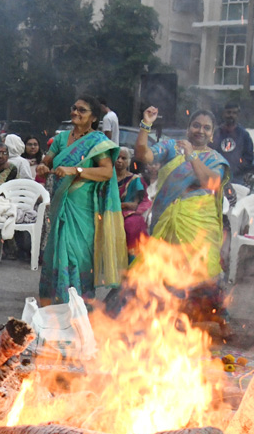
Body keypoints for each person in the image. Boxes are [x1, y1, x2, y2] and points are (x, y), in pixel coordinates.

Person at [134, 106, 230, 328]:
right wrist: (146, 124)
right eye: (196, 125)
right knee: (165, 272)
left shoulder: (216, 159)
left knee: (202, 273)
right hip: (168, 218)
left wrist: (192, 156)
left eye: (207, 128)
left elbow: (212, 183)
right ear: (188, 129)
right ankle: (167, 318)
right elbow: (142, 155)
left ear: (213, 134)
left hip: (199, 225)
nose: (201, 131)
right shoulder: (171, 146)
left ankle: (206, 319)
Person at [35, 95, 125, 306]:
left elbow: (105, 172)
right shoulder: (61, 138)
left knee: (76, 255)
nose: (75, 112)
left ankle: (78, 307)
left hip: (82, 208)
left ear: (93, 118)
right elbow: (48, 159)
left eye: (82, 110)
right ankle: (55, 307)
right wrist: (42, 165)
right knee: (57, 251)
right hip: (60, 204)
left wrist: (76, 170)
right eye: (74, 108)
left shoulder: (98, 142)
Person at [115, 147, 150, 261]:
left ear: (129, 161)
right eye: (117, 157)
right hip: (108, 211)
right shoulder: (107, 178)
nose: (119, 161)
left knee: (131, 225)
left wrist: (121, 206)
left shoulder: (135, 180)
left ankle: (132, 263)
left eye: (123, 158)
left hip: (128, 214)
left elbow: (136, 204)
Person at [211, 101, 253, 183]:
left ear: (238, 115)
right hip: (216, 178)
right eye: (228, 112)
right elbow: (209, 154)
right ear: (223, 114)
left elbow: (249, 158)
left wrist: (235, 168)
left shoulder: (244, 135)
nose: (231, 115)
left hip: (237, 179)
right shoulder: (215, 133)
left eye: (234, 113)